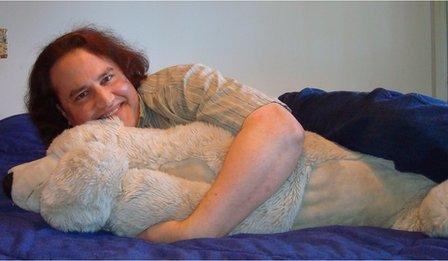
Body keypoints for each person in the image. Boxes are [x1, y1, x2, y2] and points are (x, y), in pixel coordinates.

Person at [27, 26, 305, 243]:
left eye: (108, 78)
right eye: (82, 94)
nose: (105, 99)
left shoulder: (181, 87)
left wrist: (195, 230)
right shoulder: (76, 157)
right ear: (63, 113)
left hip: (307, 116)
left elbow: (281, 126)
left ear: (125, 71)